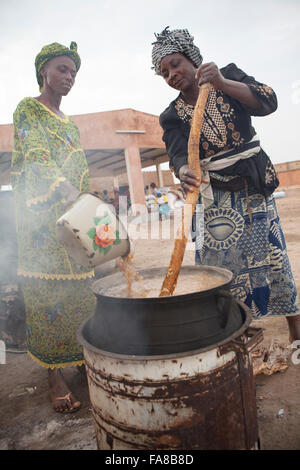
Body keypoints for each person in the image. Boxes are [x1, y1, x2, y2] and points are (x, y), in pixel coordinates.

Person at [151, 27, 300, 341]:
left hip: (252, 186)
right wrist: (182, 169)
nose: (171, 74)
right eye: (164, 72)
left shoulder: (228, 75)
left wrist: (221, 83)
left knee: (272, 258)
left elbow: (267, 101)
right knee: (219, 267)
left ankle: (296, 329)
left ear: (192, 60)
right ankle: (235, 329)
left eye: (176, 64)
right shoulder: (171, 115)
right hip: (212, 196)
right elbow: (176, 151)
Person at [10, 42, 97, 413]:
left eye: (73, 72)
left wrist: (89, 206)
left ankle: (79, 357)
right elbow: (36, 156)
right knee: (48, 297)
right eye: (62, 69)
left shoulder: (71, 124)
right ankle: (53, 375)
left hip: (74, 215)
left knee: (81, 293)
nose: (68, 77)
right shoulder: (28, 108)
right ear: (43, 71)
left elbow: (80, 171)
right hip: (41, 222)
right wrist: (63, 190)